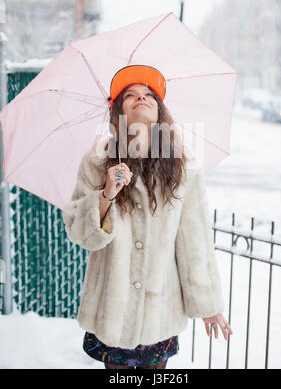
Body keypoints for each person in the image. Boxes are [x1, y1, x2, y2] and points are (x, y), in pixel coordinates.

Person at [62, 65, 233, 370]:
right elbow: (79, 233)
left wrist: (208, 305)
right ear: (119, 111)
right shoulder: (98, 161)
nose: (140, 98)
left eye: (148, 95)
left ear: (159, 109)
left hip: (160, 311)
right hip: (111, 312)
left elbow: (195, 239)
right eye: (130, 95)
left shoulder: (182, 166)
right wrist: (106, 194)